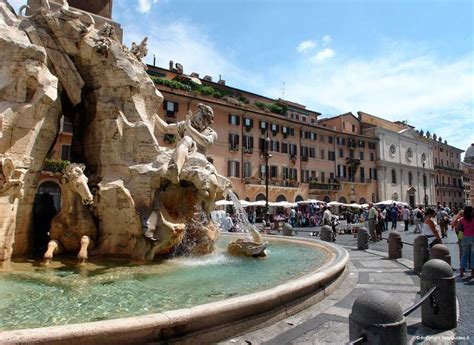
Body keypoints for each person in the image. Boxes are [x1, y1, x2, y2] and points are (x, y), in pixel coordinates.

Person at [451, 206, 474, 278]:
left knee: (464, 255)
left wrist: (460, 238)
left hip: (464, 238)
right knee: (473, 255)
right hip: (473, 238)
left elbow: (458, 229)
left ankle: (462, 271)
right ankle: (473, 272)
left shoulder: (462, 220)